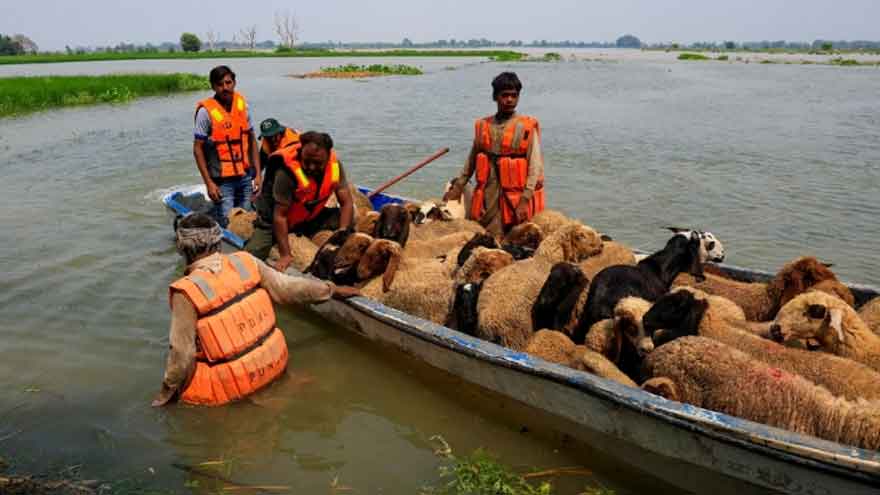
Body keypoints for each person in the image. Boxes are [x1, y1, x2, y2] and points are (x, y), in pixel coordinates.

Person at [152, 213, 359, 407]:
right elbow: (290, 288)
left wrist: (165, 394)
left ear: (183, 248)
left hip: (236, 386)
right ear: (218, 241)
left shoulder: (186, 291)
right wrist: (333, 289)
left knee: (186, 394)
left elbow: (182, 353)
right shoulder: (246, 261)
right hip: (274, 363)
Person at [444, 72, 545, 236]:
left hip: (515, 197)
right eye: (505, 95)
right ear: (495, 97)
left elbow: (535, 167)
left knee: (515, 235)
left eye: (514, 95)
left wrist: (525, 200)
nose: (510, 100)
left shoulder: (526, 127)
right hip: (488, 193)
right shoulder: (484, 126)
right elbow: (471, 161)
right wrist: (458, 187)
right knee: (484, 232)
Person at [250, 131, 355, 270]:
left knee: (349, 220)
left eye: (317, 163)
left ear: (328, 156)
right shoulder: (286, 173)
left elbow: (346, 202)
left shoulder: (335, 166)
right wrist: (285, 254)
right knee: (253, 253)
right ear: (300, 154)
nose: (311, 167)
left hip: (309, 216)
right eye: (307, 161)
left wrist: (343, 232)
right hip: (276, 221)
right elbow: (279, 216)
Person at [193, 65, 262, 227]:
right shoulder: (206, 112)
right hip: (222, 181)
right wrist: (209, 183)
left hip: (245, 176)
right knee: (227, 222)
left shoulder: (242, 105)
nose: (225, 88)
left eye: (228, 82)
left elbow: (252, 139)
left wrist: (258, 174)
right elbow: (197, 149)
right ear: (213, 86)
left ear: (234, 82)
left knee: (246, 221)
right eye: (220, 84)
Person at [244, 118, 301, 260]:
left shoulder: (295, 143)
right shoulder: (267, 145)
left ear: (280, 131)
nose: (273, 140)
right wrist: (256, 179)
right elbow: (261, 166)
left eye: (275, 135)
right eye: (268, 137)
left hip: (295, 179)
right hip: (280, 183)